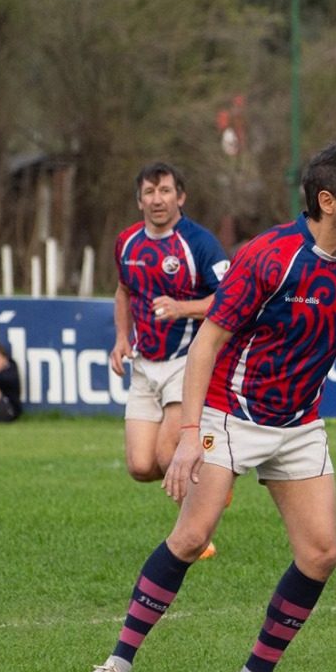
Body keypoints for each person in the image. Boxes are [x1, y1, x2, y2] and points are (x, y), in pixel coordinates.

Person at [71, 143, 336, 672]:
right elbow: (206, 345)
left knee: (321, 554)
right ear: (328, 202)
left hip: (298, 425)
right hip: (228, 415)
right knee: (192, 536)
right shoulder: (268, 256)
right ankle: (116, 665)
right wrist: (188, 437)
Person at [111, 164, 229, 482]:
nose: (157, 199)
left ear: (180, 197)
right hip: (144, 363)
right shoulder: (127, 242)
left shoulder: (200, 243)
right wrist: (122, 336)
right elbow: (124, 291)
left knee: (168, 453)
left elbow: (230, 300)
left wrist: (182, 308)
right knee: (140, 466)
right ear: (139, 201)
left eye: (165, 191)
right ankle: (214, 476)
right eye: (149, 192)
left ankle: (196, 534)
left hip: (186, 362)